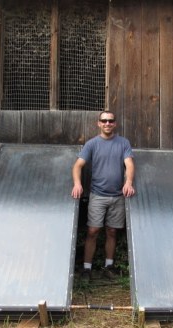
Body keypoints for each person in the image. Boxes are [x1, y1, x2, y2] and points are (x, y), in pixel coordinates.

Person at [71, 111, 135, 283]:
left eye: (110, 121)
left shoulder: (123, 143)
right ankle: (86, 269)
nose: (107, 123)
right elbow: (77, 166)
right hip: (97, 195)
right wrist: (77, 184)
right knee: (92, 231)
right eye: (104, 121)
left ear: (115, 124)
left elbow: (129, 164)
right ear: (98, 123)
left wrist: (128, 182)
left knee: (112, 231)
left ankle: (108, 266)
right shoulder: (92, 144)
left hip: (118, 196)